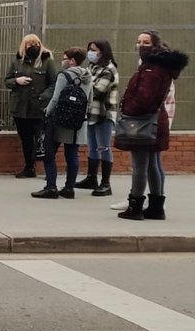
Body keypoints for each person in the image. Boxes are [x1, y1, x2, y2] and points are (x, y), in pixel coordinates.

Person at [115, 31, 187, 221]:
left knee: (140, 165)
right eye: (138, 42)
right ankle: (156, 207)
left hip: (144, 122)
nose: (140, 45)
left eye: (145, 42)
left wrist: (128, 109)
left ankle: (135, 206)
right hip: (156, 120)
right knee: (153, 164)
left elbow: (144, 98)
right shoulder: (162, 66)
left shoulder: (150, 69)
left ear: (155, 45)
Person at [31, 48, 92, 199]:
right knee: (72, 154)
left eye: (65, 58)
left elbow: (56, 98)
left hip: (60, 120)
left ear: (72, 60)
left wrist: (47, 112)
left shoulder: (64, 75)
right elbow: (90, 99)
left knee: (49, 152)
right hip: (78, 121)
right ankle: (69, 188)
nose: (62, 60)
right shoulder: (88, 76)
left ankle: (50, 186)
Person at [6, 34, 57, 179]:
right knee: (26, 139)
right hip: (20, 108)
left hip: (39, 108)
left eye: (36, 44)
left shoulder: (47, 61)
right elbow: (7, 80)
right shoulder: (17, 61)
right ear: (24, 46)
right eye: (29, 45)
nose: (33, 47)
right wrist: (17, 80)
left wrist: (43, 97)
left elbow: (54, 83)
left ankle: (49, 170)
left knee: (42, 140)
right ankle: (29, 167)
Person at [75, 40, 119, 198]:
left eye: (94, 50)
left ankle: (106, 184)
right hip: (90, 113)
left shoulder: (109, 69)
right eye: (90, 50)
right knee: (92, 147)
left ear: (103, 51)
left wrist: (82, 84)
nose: (90, 53)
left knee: (104, 147)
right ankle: (91, 178)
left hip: (103, 113)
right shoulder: (92, 67)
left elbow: (98, 90)